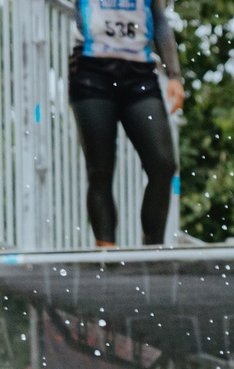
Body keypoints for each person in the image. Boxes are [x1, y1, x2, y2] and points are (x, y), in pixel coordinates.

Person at [68, 0, 183, 248]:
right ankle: (106, 254)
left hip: (139, 75)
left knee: (163, 164)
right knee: (100, 170)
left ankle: (153, 249)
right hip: (91, 72)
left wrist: (174, 74)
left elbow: (160, 21)